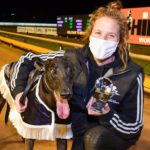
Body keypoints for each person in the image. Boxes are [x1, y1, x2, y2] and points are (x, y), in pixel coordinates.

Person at [12, 1, 144, 150]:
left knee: (93, 139)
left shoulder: (132, 73)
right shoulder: (69, 57)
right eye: (98, 33)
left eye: (111, 35)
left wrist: (107, 113)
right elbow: (27, 59)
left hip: (110, 133)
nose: (102, 40)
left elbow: (134, 127)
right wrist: (19, 92)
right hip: (79, 131)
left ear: (119, 41)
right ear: (90, 34)